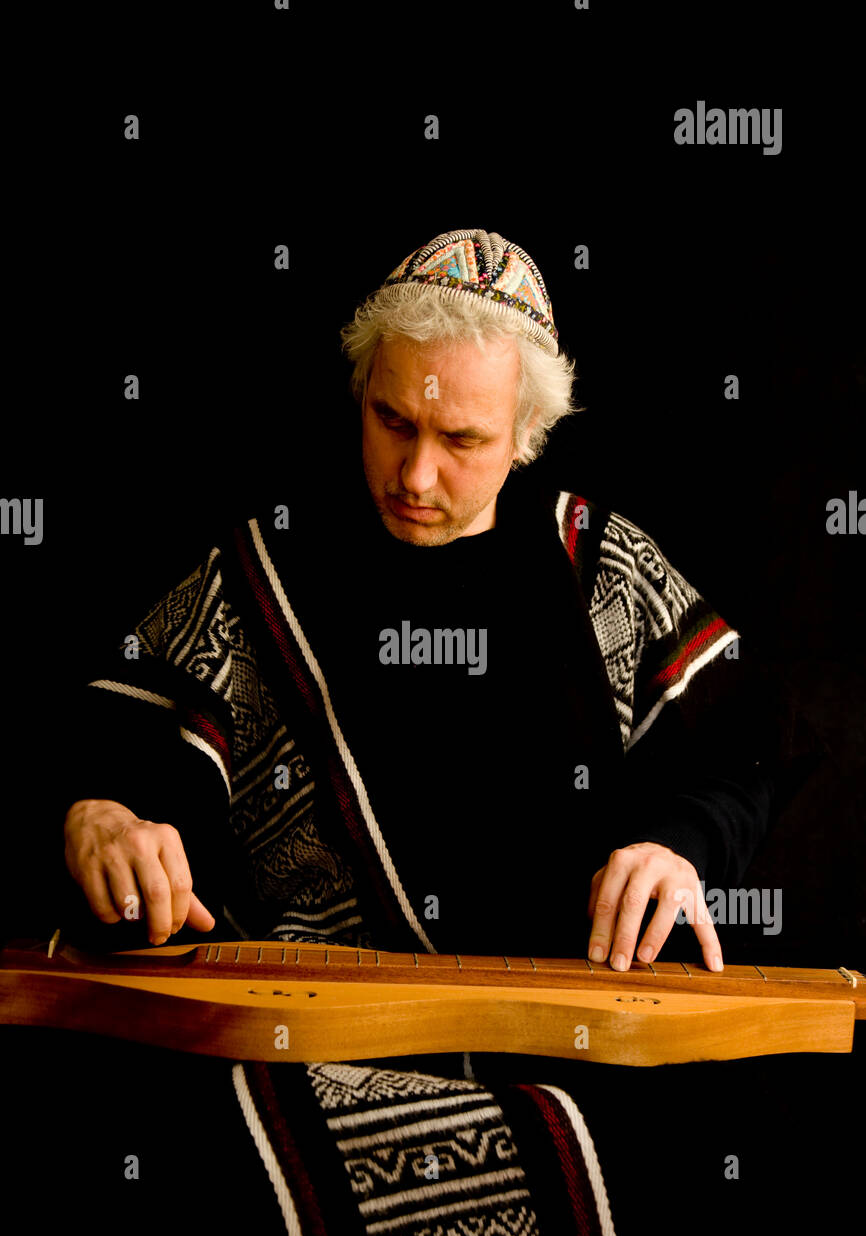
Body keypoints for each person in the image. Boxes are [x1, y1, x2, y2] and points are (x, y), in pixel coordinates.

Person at [61, 228, 820, 972]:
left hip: (564, 1025)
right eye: (393, 421)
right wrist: (100, 816)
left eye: (461, 440)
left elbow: (750, 742)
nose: (414, 476)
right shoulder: (263, 569)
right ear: (363, 390)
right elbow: (122, 749)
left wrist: (678, 846)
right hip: (314, 1018)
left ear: (526, 433)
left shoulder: (596, 563)